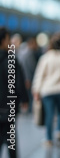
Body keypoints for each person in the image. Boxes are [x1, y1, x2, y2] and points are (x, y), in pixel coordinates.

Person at [0, 27, 29, 158]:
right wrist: (24, 100)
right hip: (8, 107)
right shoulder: (11, 59)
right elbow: (17, 83)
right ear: (4, 39)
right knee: (11, 141)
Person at [18, 37, 39, 113]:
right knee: (29, 96)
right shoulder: (29, 53)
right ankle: (29, 110)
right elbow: (31, 66)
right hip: (28, 78)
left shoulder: (21, 52)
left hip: (23, 78)